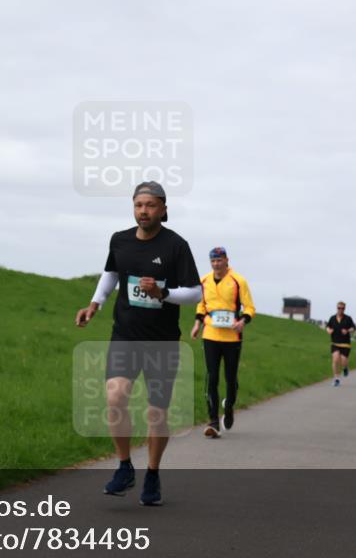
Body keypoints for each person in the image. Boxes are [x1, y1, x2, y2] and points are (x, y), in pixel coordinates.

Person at [75, 181, 201, 506]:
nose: (143, 211)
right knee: (115, 396)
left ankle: (153, 475)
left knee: (156, 413)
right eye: (138, 205)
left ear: (164, 209)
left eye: (150, 205)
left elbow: (196, 292)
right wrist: (95, 304)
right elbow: (112, 273)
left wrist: (164, 294)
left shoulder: (176, 246)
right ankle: (124, 466)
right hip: (126, 335)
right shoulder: (120, 240)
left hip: (161, 341)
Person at [190, 247, 255, 438]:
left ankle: (229, 406)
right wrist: (197, 324)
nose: (216, 264)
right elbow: (201, 305)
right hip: (210, 335)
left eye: (219, 260)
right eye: (213, 261)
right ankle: (213, 422)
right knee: (211, 378)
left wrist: (243, 321)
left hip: (232, 337)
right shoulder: (204, 281)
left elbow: (249, 307)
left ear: (227, 260)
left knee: (230, 379)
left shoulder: (238, 281)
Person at [326, 301, 356, 386]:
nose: (340, 310)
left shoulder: (348, 318)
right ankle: (336, 379)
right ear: (337, 308)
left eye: (342, 308)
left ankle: (345, 368)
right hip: (335, 343)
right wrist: (329, 330)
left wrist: (347, 331)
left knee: (343, 361)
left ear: (344, 309)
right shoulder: (332, 318)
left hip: (345, 344)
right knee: (335, 359)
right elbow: (328, 326)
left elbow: (353, 328)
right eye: (339, 308)